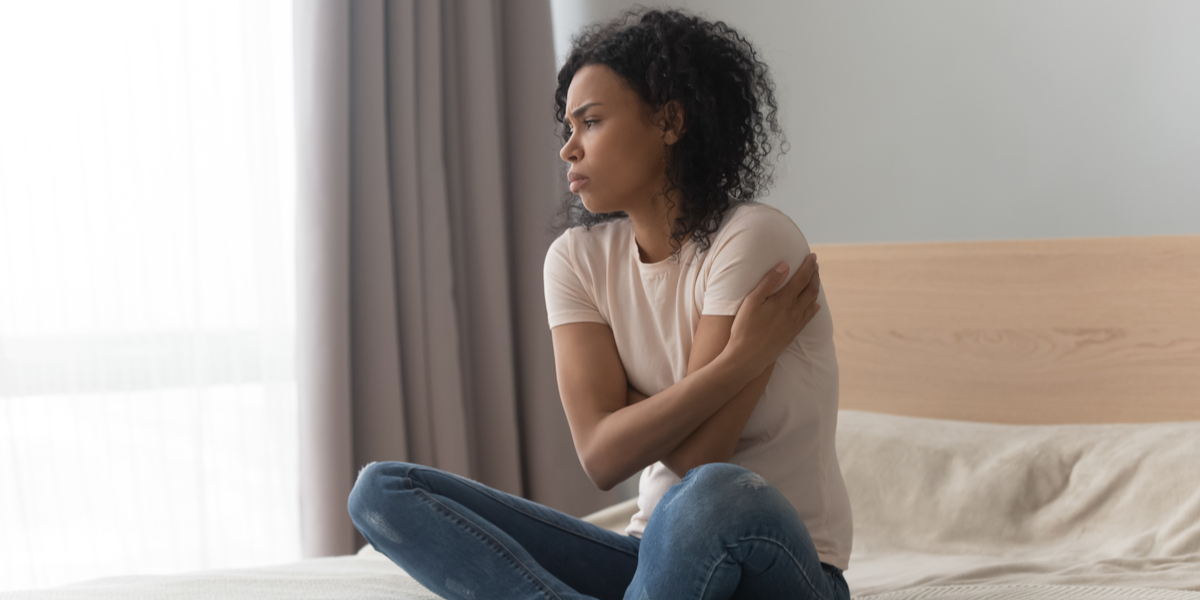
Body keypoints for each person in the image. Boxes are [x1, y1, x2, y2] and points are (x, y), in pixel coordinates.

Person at [348, 8, 852, 600]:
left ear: (669, 120)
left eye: (590, 122)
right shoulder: (575, 260)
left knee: (714, 491)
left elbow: (698, 456)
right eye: (567, 128)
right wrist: (740, 360)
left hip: (778, 562)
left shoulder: (753, 239)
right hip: (650, 556)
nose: (568, 149)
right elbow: (600, 456)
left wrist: (623, 414)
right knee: (382, 491)